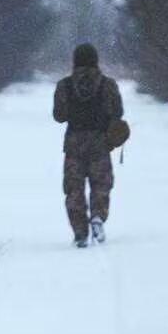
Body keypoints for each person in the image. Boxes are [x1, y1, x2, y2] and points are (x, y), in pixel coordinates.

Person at [53, 43, 124, 248]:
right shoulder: (108, 85)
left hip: (74, 143)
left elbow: (59, 116)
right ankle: (98, 218)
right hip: (100, 143)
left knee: (73, 189)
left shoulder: (64, 85)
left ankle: (80, 231)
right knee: (101, 185)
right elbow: (117, 112)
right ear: (96, 60)